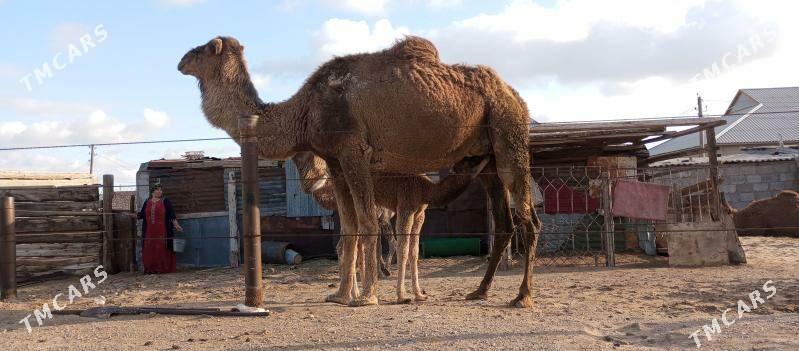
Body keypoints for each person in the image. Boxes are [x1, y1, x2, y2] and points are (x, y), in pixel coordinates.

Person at [135, 185, 182, 274]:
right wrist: (134, 215)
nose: (160, 192)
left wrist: (176, 225)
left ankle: (163, 269)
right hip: (149, 230)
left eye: (161, 190)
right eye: (158, 190)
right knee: (149, 248)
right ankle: (151, 269)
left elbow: (172, 214)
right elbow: (141, 215)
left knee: (161, 248)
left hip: (162, 230)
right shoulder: (147, 201)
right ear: (152, 192)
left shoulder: (165, 201)